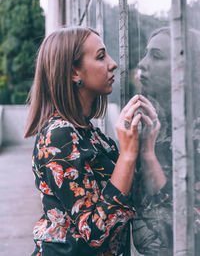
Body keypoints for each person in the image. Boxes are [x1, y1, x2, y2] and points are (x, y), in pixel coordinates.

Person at [25, 26, 166, 256]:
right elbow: (94, 232)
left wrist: (147, 151)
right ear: (74, 73)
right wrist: (128, 155)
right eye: (101, 56)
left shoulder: (90, 134)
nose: (113, 64)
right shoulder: (58, 136)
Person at [131, 27, 200, 255]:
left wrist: (148, 157)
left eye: (156, 56)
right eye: (146, 53)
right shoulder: (154, 124)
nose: (142, 63)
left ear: (184, 68)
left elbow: (191, 227)